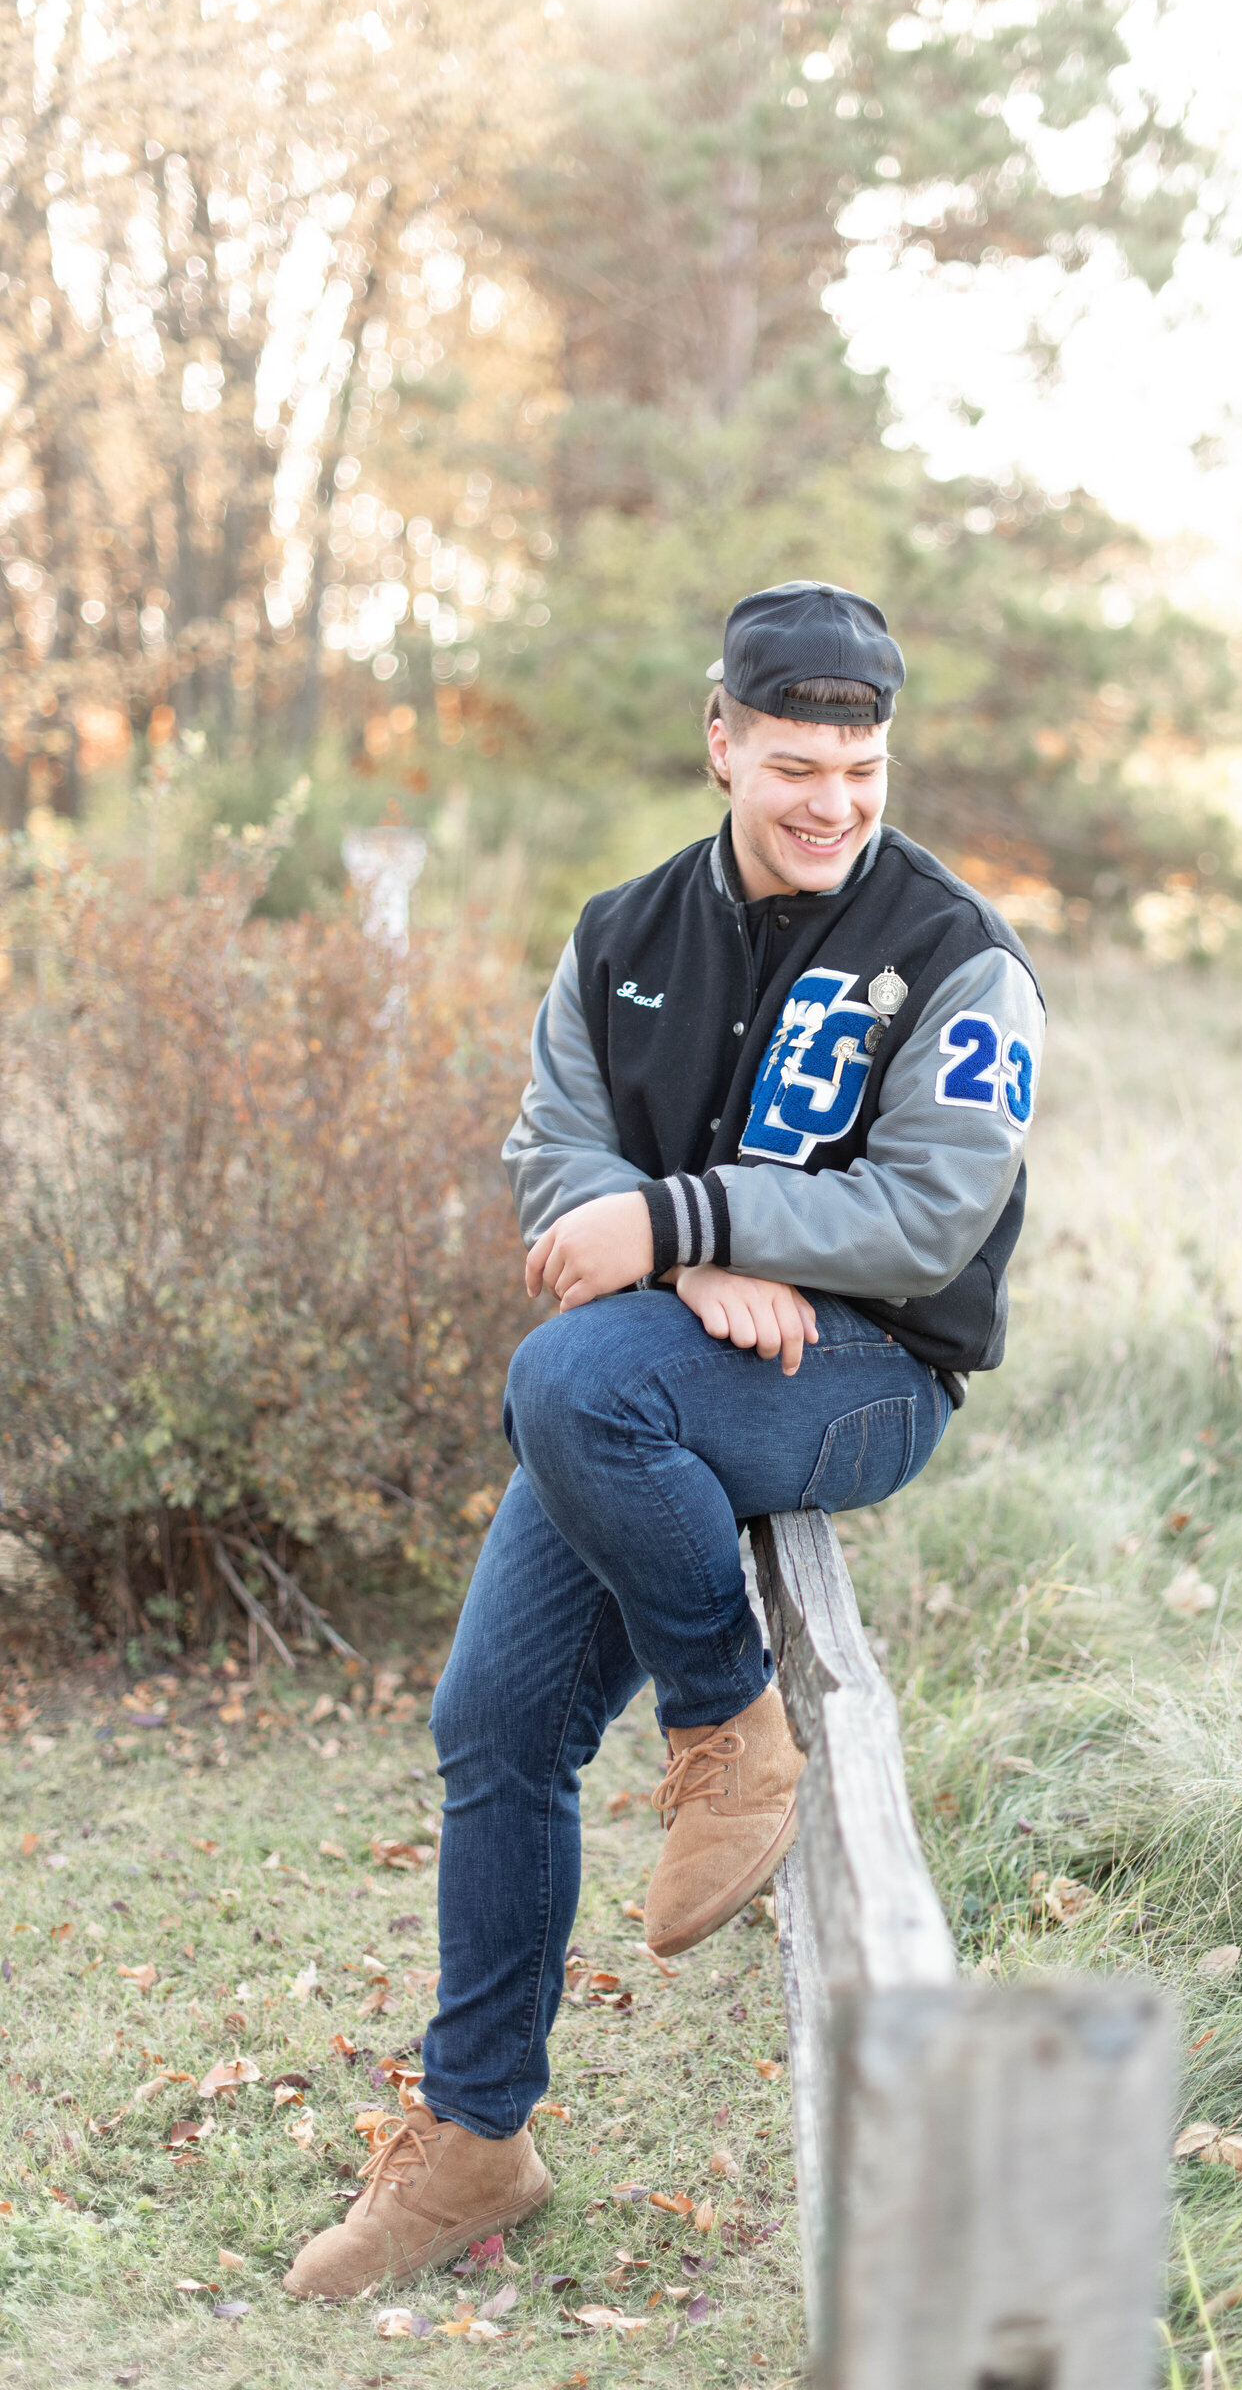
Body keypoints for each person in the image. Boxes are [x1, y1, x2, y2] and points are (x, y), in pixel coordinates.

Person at [284, 580, 1046, 2299]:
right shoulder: (619, 933)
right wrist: (696, 1253)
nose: (834, 803)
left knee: (569, 1384)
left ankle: (727, 1727)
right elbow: (554, 1160)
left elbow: (932, 1215)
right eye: (795, 763)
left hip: (861, 1376)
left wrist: (692, 1227)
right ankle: (477, 2140)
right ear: (720, 741)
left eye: (863, 767)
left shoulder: (960, 956)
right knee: (492, 1724)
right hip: (668, 1364)